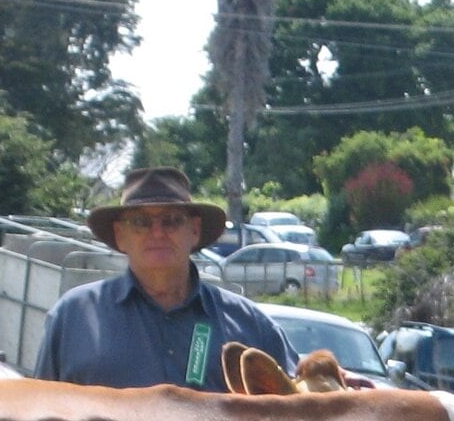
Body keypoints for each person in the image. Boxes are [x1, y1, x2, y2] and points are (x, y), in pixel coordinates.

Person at [34, 166, 296, 389]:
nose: (157, 233)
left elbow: (303, 407)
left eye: (171, 220)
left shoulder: (250, 325)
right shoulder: (72, 317)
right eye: (140, 222)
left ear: (194, 230)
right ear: (120, 235)